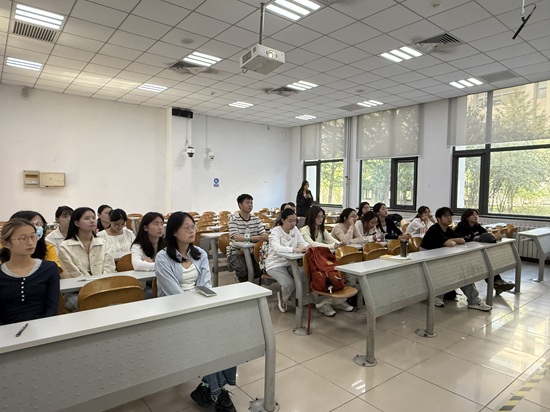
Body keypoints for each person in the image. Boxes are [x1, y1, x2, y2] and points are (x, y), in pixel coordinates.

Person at [155, 212, 236, 412]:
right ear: (174, 232)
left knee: (228, 334)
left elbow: (205, 285)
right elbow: (174, 292)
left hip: (199, 307)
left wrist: (202, 308)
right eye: (187, 228)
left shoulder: (199, 253)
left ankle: (209, 387)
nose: (192, 231)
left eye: (193, 226)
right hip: (175, 311)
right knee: (206, 340)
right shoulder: (163, 257)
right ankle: (218, 392)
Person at [420, 207, 492, 311]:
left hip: (440, 256)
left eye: (450, 215)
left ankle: (472, 300)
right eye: (445, 216)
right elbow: (450, 243)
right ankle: (438, 296)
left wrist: (450, 240)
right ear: (439, 219)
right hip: (427, 259)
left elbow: (462, 240)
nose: (449, 218)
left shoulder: (447, 229)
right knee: (457, 271)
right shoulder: (435, 229)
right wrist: (450, 241)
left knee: (461, 270)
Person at [0, 219, 60, 325]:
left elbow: (52, 307)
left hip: (45, 327)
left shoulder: (49, 268)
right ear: (6, 243)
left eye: (33, 236)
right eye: (22, 238)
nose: (30, 243)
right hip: (7, 331)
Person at [58, 207, 115, 311]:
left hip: (103, 288)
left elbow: (109, 267)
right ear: (76, 223)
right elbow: (72, 273)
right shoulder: (65, 246)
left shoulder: (103, 243)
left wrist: (100, 287)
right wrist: (93, 288)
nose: (92, 221)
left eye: (93, 217)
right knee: (89, 307)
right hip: (76, 291)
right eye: (87, 218)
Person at [300, 206, 353, 316]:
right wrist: (332, 246)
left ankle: (338, 301)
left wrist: (339, 243)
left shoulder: (321, 230)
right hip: (309, 261)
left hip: (321, 260)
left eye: (322, 217)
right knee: (322, 277)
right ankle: (322, 304)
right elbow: (312, 245)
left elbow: (332, 240)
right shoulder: (304, 230)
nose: (321, 219)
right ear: (312, 217)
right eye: (318, 217)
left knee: (333, 274)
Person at [454, 209, 515, 294]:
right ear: (467, 217)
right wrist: (491, 236)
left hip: (475, 252)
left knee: (487, 263)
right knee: (485, 264)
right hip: (464, 254)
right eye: (473, 215)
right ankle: (497, 283)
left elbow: (486, 234)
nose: (476, 216)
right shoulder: (462, 227)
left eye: (476, 215)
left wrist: (492, 235)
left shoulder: (477, 226)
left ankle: (497, 283)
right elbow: (474, 238)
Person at [266, 208, 309, 314]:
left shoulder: (295, 230)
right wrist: (294, 249)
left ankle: (295, 299)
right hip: (275, 264)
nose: (293, 224)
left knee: (303, 275)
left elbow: (302, 242)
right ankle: (283, 298)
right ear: (283, 220)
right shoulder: (276, 231)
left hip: (290, 263)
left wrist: (307, 247)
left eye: (295, 221)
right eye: (290, 221)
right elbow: (276, 248)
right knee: (289, 284)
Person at [227, 194, 269, 283]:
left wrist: (265, 235)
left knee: (258, 271)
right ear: (240, 205)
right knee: (243, 270)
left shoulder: (256, 219)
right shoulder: (234, 219)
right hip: (236, 251)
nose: (250, 205)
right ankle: (240, 280)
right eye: (247, 203)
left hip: (253, 251)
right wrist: (251, 238)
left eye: (251, 203)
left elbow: (262, 232)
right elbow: (236, 237)